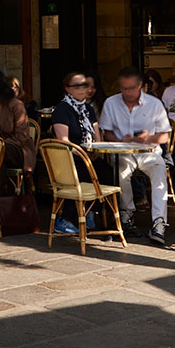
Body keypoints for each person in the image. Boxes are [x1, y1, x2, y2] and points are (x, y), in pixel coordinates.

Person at [99, 66, 171, 245]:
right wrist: (119, 139)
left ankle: (159, 222)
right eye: (123, 88)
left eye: (131, 88)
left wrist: (149, 137)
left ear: (140, 86)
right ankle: (126, 213)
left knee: (160, 172)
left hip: (150, 151)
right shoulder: (111, 102)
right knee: (121, 170)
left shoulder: (154, 104)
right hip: (123, 151)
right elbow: (106, 133)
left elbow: (164, 136)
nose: (127, 92)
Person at [51, 71, 111, 234]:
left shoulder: (88, 109)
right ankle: (65, 219)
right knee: (82, 173)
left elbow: (97, 136)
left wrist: (96, 151)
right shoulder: (62, 110)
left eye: (84, 85)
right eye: (77, 86)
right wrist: (83, 154)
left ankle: (91, 210)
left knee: (107, 171)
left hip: (88, 155)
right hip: (69, 157)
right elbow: (63, 141)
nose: (82, 89)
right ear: (67, 89)